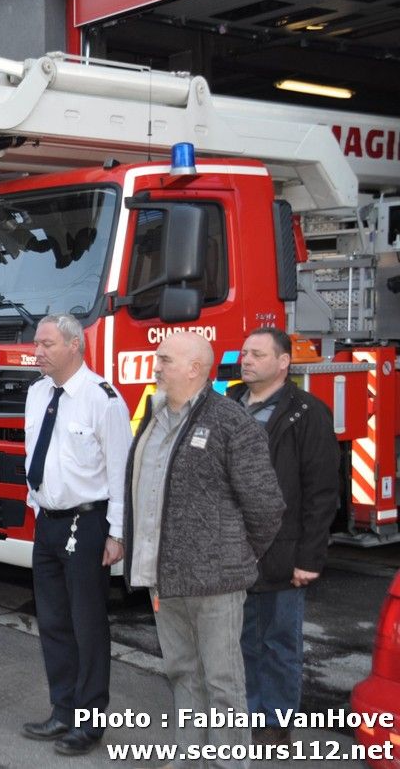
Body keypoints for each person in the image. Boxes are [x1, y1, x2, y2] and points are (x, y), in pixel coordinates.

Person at [124, 332, 284, 769]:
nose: (156, 366)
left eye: (164, 359)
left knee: (222, 680)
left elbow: (267, 505)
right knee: (181, 673)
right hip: (165, 577)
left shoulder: (230, 421)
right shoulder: (154, 417)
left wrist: (236, 557)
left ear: (195, 368)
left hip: (216, 583)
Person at [19, 314, 131, 756]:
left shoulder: (102, 398)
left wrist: (117, 533)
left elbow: (120, 470)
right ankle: (61, 710)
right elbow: (37, 456)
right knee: (52, 623)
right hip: (47, 521)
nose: (37, 350)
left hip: (88, 524)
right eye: (36, 343)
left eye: (46, 343)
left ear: (74, 346)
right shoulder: (36, 393)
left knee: (87, 625)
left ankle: (88, 722)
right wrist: (35, 505)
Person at [230, 327, 339, 745]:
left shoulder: (307, 413)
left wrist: (310, 558)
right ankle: (247, 710)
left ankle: (273, 722)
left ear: (283, 362)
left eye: (257, 354)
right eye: (244, 353)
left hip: (282, 549)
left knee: (278, 640)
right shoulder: (229, 404)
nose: (247, 360)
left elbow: (321, 490)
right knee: (241, 638)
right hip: (234, 550)